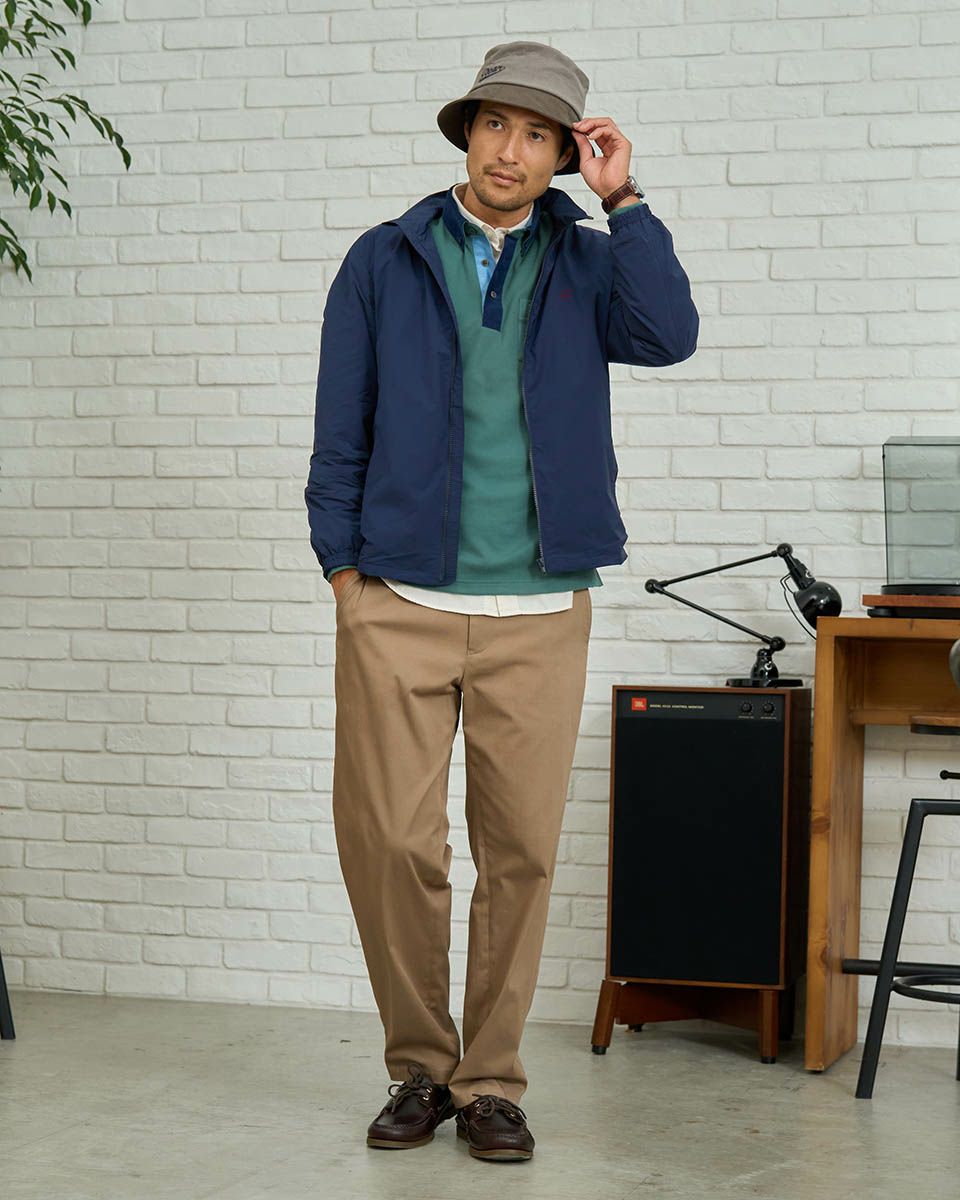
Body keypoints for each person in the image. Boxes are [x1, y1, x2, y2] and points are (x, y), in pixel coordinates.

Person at [304, 40, 698, 1163]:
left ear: (564, 154)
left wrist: (627, 200)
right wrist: (343, 571)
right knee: (390, 843)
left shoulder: (590, 259)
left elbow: (669, 336)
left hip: (540, 610)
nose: (511, 150)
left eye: (538, 134)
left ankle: (489, 1084)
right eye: (495, 125)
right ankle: (419, 1068)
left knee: (518, 853)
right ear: (468, 133)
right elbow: (340, 424)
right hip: (398, 598)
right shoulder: (384, 258)